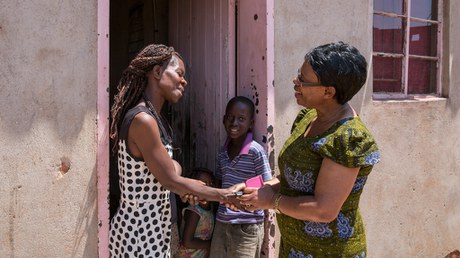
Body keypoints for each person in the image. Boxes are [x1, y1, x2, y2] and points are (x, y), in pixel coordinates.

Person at [238, 42, 381, 257]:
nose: (296, 82)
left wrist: (270, 201)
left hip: (330, 251)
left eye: (304, 80)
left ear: (328, 91)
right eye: (299, 74)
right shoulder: (309, 118)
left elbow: (324, 210)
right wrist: (255, 189)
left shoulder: (348, 138)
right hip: (295, 247)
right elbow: (295, 180)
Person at [109, 44, 239, 257]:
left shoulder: (157, 121)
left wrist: (176, 175)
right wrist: (225, 195)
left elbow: (169, 172)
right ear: (158, 72)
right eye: (179, 73)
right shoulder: (143, 120)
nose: (184, 80)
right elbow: (170, 179)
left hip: (154, 230)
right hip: (138, 233)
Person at [209, 96, 273, 258]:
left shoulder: (255, 151)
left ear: (250, 123)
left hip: (247, 225)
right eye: (230, 117)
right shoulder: (222, 152)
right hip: (222, 223)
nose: (234, 123)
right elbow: (220, 183)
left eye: (241, 119)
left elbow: (267, 184)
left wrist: (238, 194)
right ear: (224, 119)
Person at [175, 168, 216, 258]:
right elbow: (187, 242)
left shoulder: (210, 209)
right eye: (204, 184)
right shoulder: (194, 212)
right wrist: (212, 244)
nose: (209, 187)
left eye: (211, 183)